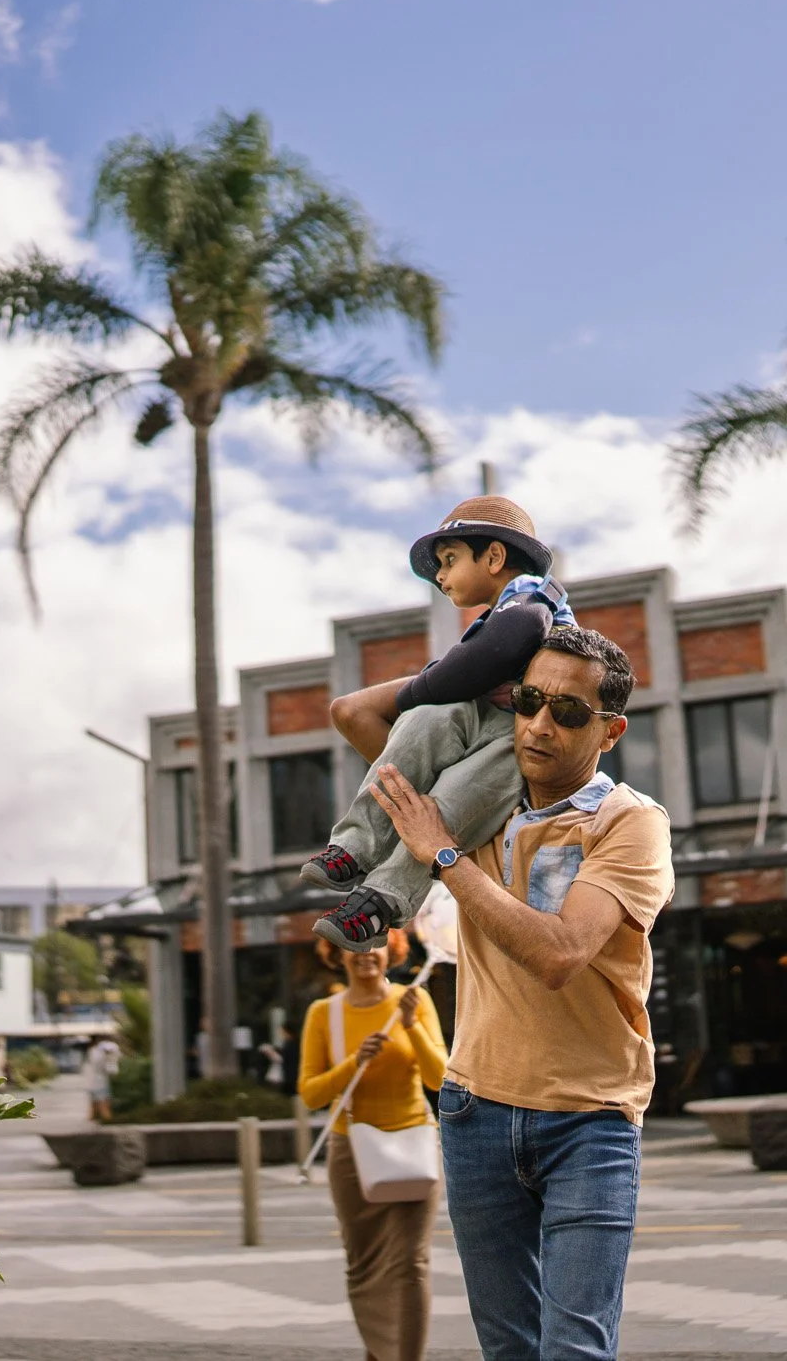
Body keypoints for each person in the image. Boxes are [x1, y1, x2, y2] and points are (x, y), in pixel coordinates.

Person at [366, 627, 673, 1361]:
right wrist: (476, 666)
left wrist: (443, 856)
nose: (538, 724)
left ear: (611, 730)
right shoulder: (476, 800)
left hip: (590, 1118)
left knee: (572, 1349)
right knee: (509, 1351)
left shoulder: (628, 821)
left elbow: (561, 952)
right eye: (529, 700)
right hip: (475, 1111)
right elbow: (358, 715)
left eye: (568, 711)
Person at [309, 495, 575, 952]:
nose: (441, 576)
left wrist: (420, 689)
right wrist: (423, 701)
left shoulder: (531, 599)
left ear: (493, 556)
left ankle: (383, 899)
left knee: (449, 802)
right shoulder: (495, 614)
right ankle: (357, 845)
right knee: (420, 728)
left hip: (521, 737)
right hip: (481, 719)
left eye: (449, 560)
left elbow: (492, 654)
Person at [298, 931, 448, 1361]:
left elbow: (440, 1078)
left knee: (411, 1263)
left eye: (376, 944)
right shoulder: (324, 1014)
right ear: (337, 954)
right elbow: (310, 1094)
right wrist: (353, 1063)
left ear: (393, 951)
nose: (366, 954)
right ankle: (381, 1353)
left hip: (414, 1143)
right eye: (355, 946)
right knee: (363, 1265)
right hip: (353, 1152)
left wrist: (411, 1026)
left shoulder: (414, 1001)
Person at [84, 1036, 121, 1123]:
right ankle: (106, 1119)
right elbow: (110, 1069)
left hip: (92, 1081)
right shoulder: (100, 1053)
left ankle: (94, 1118)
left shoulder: (93, 1051)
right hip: (100, 1081)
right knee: (103, 1102)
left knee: (94, 1103)